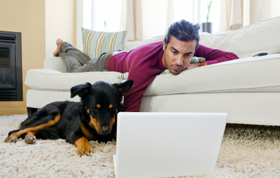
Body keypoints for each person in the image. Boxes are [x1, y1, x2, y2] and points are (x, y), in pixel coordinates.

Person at [54, 20, 239, 112]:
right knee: (77, 69)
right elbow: (129, 113)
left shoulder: (189, 47)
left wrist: (199, 65)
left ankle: (69, 48)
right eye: (174, 52)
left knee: (86, 59)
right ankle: (64, 47)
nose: (180, 63)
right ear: (164, 45)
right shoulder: (143, 66)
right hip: (108, 60)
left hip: (125, 55)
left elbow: (231, 56)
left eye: (187, 55)